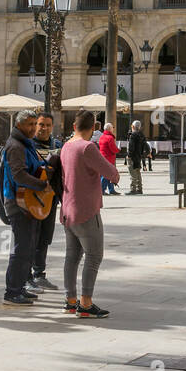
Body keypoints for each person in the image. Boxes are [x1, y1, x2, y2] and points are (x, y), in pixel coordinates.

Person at [60, 109, 119, 319]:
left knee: (72, 257)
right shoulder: (87, 148)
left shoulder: (66, 147)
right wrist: (115, 175)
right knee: (94, 256)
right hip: (85, 210)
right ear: (94, 127)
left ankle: (70, 300)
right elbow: (110, 172)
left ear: (74, 126)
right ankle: (85, 303)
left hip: (67, 209)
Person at [0, 108, 50, 307]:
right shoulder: (15, 146)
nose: (33, 128)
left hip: (28, 202)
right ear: (19, 125)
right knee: (21, 249)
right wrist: (41, 185)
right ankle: (12, 291)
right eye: (30, 124)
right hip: (18, 203)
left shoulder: (24, 144)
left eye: (34, 124)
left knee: (28, 247)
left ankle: (19, 287)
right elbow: (19, 175)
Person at [28, 112, 60, 291]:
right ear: (35, 125)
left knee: (45, 237)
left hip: (50, 199)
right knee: (30, 236)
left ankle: (39, 274)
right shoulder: (28, 145)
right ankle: (26, 275)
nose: (44, 128)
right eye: (41, 124)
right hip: (30, 198)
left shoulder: (57, 146)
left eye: (48, 125)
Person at [126, 120, 147, 195]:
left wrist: (129, 155)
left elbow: (131, 146)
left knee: (132, 172)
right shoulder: (142, 135)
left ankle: (133, 189)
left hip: (133, 156)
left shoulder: (133, 135)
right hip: (139, 156)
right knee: (138, 172)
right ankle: (139, 188)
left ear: (133, 126)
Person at [98, 122, 119, 196]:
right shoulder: (110, 138)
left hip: (103, 157)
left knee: (109, 174)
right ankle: (102, 189)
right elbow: (113, 148)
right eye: (112, 128)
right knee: (107, 174)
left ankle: (111, 189)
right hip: (109, 158)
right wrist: (118, 150)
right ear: (110, 129)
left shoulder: (102, 136)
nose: (113, 129)